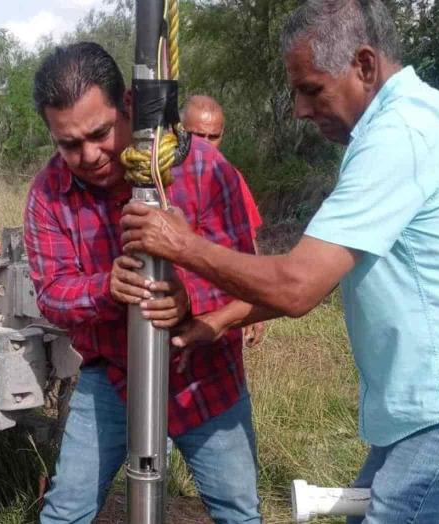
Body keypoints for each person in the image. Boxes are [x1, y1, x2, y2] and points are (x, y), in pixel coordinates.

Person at [121, 1, 439, 522]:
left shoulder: (400, 136)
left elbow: (297, 285)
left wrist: (181, 245)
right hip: (418, 414)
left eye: (311, 88)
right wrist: (221, 319)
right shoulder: (406, 120)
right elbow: (320, 274)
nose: (300, 108)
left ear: (364, 66)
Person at [24, 42, 261, 523]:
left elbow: (246, 274)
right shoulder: (49, 193)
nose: (89, 155)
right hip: (113, 377)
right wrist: (104, 290)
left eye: (100, 133)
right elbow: (51, 294)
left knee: (238, 512)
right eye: (69, 144)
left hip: (205, 376)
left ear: (129, 105)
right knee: (64, 512)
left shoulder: (204, 169)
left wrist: (190, 300)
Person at [182, 95, 265, 346]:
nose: (205, 144)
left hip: (218, 308)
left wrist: (254, 305)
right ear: (179, 130)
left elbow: (248, 243)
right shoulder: (160, 176)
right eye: (196, 135)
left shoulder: (230, 178)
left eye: (212, 136)